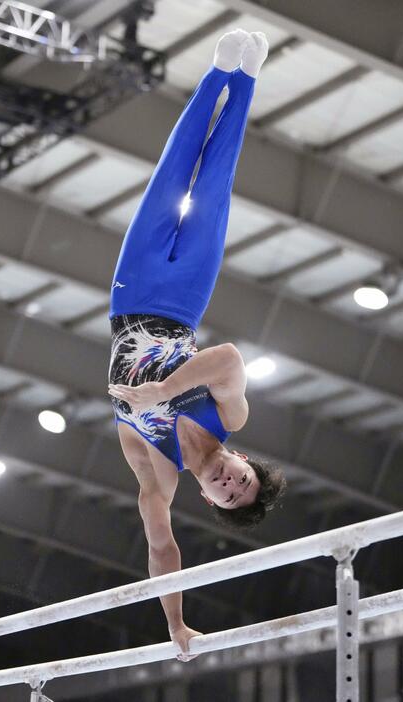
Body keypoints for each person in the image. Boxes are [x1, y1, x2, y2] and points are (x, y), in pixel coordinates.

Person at [107, 29, 286, 662]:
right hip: (183, 298)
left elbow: (161, 548)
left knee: (166, 177)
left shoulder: (157, 469)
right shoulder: (229, 413)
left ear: (208, 500)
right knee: (209, 183)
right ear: (242, 461)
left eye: (227, 495)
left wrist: (177, 627)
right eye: (242, 479)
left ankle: (220, 75)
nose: (230, 483)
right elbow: (229, 358)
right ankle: (235, 79)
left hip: (129, 296)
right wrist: (162, 389)